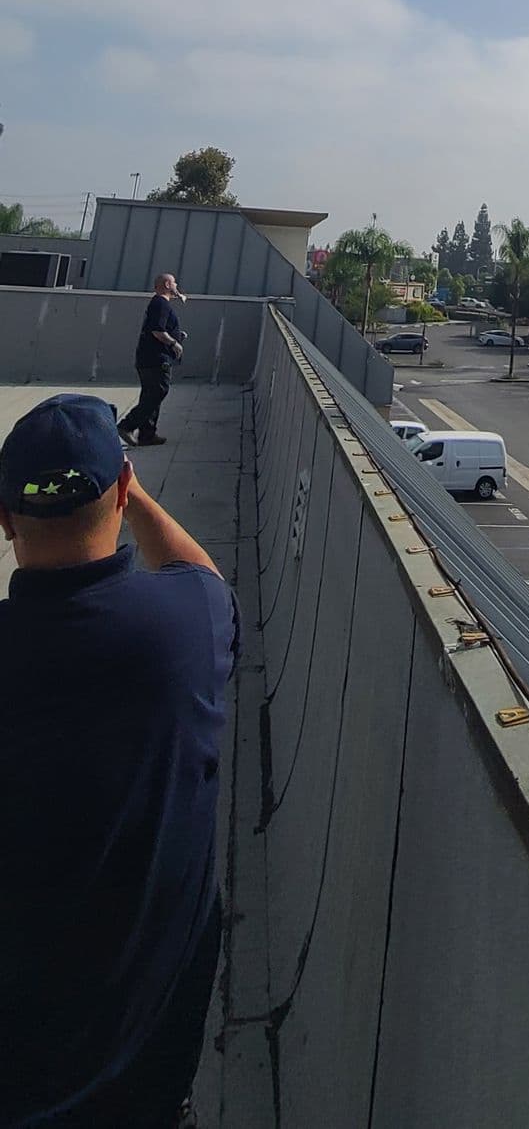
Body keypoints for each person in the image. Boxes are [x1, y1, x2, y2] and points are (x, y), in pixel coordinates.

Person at [0, 393, 240, 1128]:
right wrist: (132, 495)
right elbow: (204, 576)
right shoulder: (186, 626)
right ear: (125, 490)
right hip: (146, 1090)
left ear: (5, 519)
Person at [120, 271, 187, 446]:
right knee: (158, 392)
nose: (176, 287)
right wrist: (174, 343)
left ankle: (147, 434)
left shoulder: (159, 304)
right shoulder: (160, 304)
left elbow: (161, 328)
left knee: (151, 394)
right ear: (166, 285)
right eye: (174, 283)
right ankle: (127, 425)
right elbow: (157, 331)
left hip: (149, 358)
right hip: (155, 359)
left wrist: (178, 335)